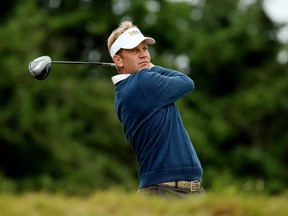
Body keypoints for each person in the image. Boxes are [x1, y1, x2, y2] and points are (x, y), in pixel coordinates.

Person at [107, 21, 204, 197]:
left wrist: (144, 67)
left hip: (178, 189)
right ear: (118, 60)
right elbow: (186, 83)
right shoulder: (143, 82)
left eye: (145, 49)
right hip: (168, 191)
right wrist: (151, 67)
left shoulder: (123, 91)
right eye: (134, 51)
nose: (143, 55)